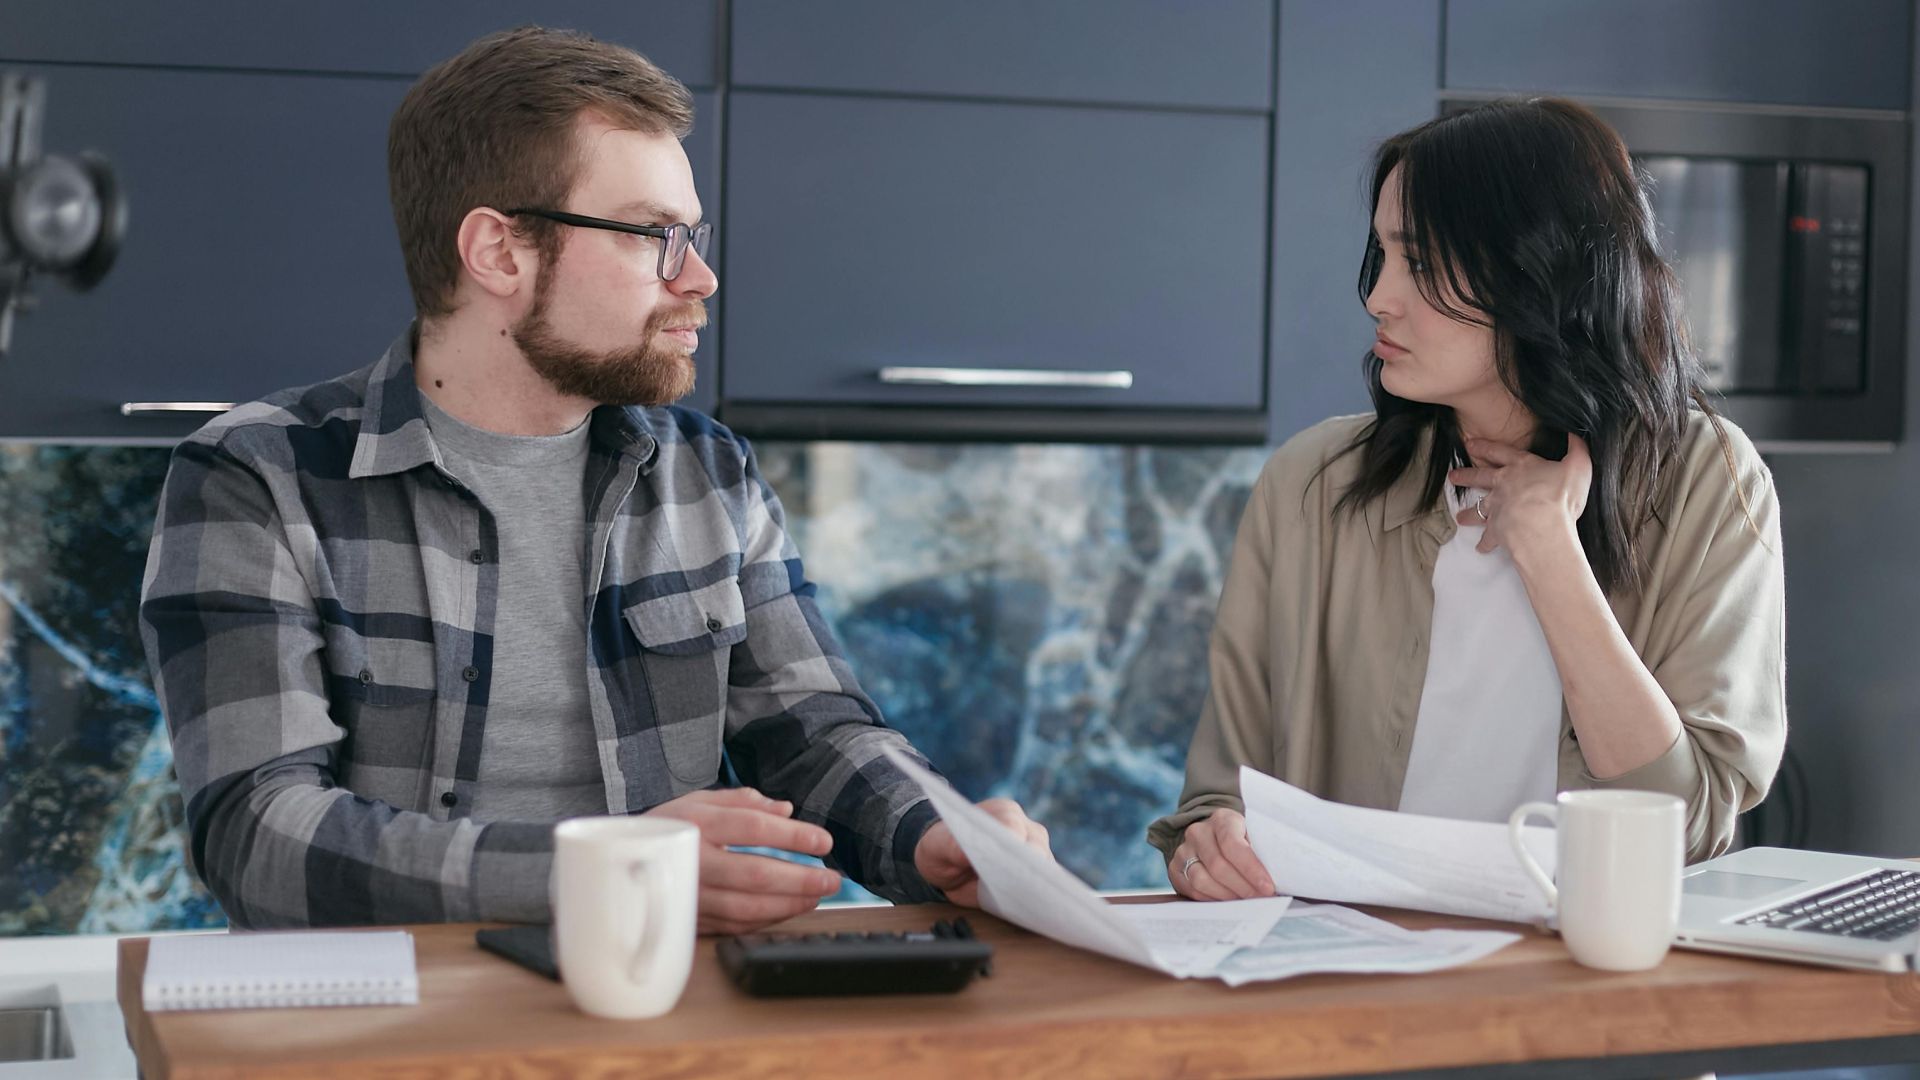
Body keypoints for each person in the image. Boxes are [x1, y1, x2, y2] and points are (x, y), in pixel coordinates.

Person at [139, 26, 1048, 933]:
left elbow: (816, 733)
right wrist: (601, 871)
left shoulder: (706, 472)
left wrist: (940, 835)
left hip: (659, 1019)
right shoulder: (256, 477)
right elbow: (258, 835)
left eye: (693, 234)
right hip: (390, 1032)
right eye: (653, 234)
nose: (701, 276)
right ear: (500, 253)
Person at [1148, 98, 1786, 901]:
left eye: (1418, 261)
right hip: (1347, 985)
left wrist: (1550, 549)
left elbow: (1685, 819)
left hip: (1581, 990)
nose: (1379, 296)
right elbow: (1216, 803)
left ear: (1535, 271)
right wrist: (1212, 847)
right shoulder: (1312, 486)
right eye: (1379, 256)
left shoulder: (1708, 481)